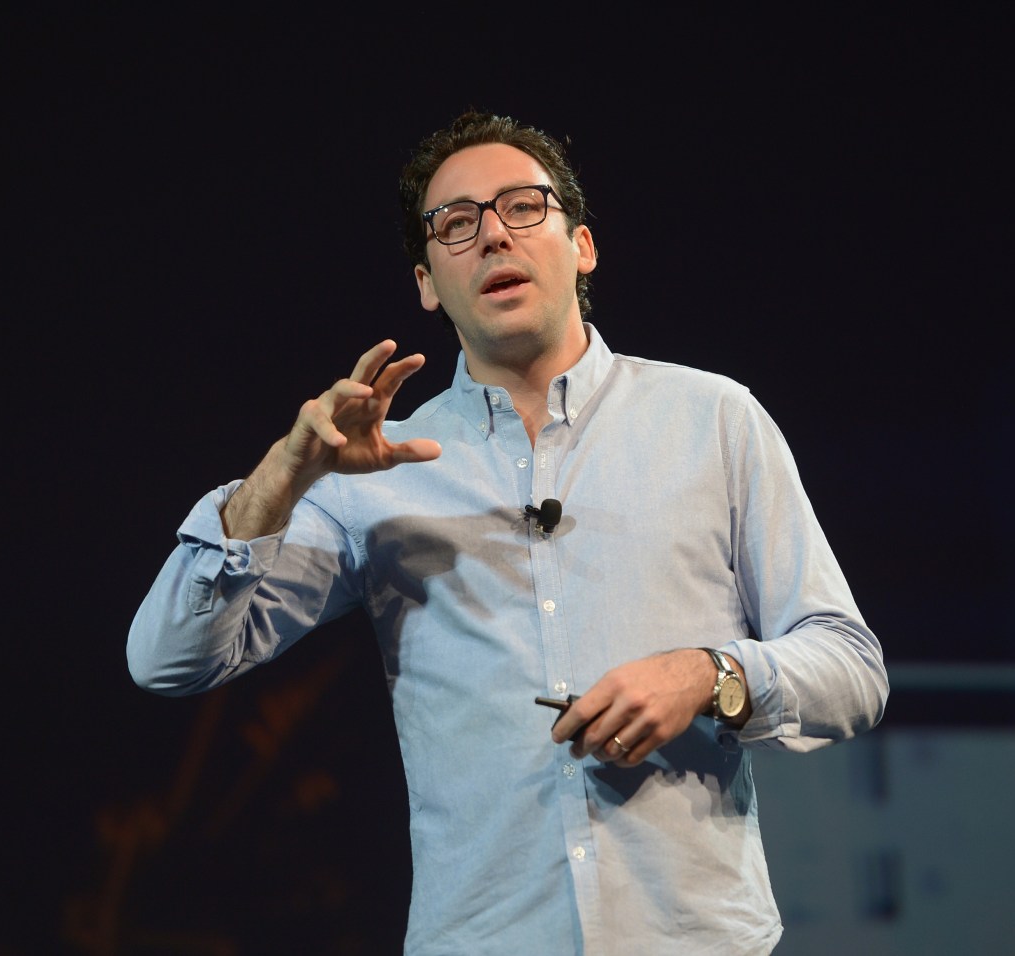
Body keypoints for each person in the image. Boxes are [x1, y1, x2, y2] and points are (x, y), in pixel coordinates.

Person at [128, 109, 888, 954]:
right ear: (427, 283)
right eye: (456, 223)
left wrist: (708, 675)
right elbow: (168, 659)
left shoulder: (712, 420)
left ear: (582, 245)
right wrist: (277, 479)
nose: (492, 234)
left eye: (523, 207)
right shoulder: (374, 472)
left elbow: (851, 669)